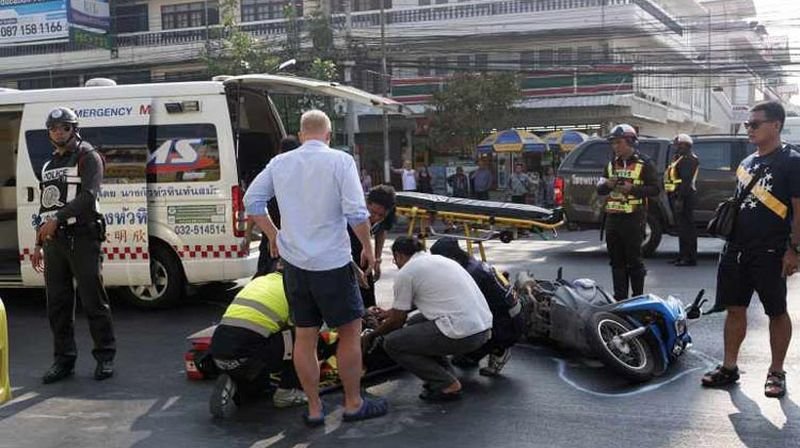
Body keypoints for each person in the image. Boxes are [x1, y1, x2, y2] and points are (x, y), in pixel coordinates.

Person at [244, 110, 388, 426]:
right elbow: (355, 211)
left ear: (301, 132)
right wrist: (367, 248)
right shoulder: (340, 161)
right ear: (328, 135)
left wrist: (273, 235)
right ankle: (352, 403)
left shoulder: (280, 163)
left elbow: (252, 201)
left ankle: (313, 409)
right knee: (349, 332)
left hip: (295, 265)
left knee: (304, 338)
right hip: (333, 264)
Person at [701, 101, 800, 398]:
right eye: (747, 124)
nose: (749, 129)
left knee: (776, 311)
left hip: (771, 251)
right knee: (734, 308)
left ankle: (776, 372)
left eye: (755, 124)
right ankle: (729, 367)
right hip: (736, 249)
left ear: (776, 125)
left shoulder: (792, 162)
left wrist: (794, 250)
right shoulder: (747, 163)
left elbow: (799, 209)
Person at [31, 107, 116, 384]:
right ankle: (63, 360)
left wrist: (57, 218)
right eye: (54, 128)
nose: (59, 132)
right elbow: (46, 204)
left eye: (64, 127)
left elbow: (89, 196)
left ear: (74, 129)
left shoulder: (87, 156)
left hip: (82, 237)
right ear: (49, 133)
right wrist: (38, 241)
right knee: (57, 304)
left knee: (94, 301)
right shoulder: (48, 165)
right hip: (54, 243)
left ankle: (105, 357)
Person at [361, 236, 492, 401]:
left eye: (396, 260)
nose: (397, 264)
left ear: (399, 256)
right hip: (483, 329)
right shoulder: (440, 261)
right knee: (415, 323)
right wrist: (389, 312)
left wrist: (371, 335)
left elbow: (397, 321)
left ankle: (446, 384)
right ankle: (446, 376)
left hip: (463, 334)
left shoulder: (407, 272)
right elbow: (427, 297)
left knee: (393, 343)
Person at [209, 267, 307, 418]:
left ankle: (234, 381)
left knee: (256, 392)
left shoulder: (260, 281)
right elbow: (304, 328)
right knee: (301, 337)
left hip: (218, 350)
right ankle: (287, 391)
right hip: (248, 353)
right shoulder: (294, 289)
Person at [430, 237, 523, 377]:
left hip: (506, 325)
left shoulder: (471, 274)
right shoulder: (473, 264)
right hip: (511, 317)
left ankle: (499, 350)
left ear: (451, 257)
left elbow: (457, 308)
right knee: (462, 360)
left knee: (455, 326)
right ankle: (478, 351)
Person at [596, 124, 660, 300]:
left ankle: (637, 299)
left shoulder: (644, 163)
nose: (615, 146)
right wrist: (607, 185)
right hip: (613, 219)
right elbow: (599, 189)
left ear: (630, 142)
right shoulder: (610, 164)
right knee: (616, 262)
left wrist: (633, 189)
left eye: (618, 142)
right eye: (613, 143)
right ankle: (620, 299)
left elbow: (655, 189)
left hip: (634, 219)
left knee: (634, 262)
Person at [253, 136, 300, 277]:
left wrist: (271, 234)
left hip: (272, 237)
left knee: (264, 275)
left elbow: (253, 202)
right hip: (292, 240)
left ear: (279, 150)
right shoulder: (298, 175)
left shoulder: (273, 172)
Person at [349, 185, 397, 308]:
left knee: (368, 287)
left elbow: (382, 230)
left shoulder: (388, 213)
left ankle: (369, 316)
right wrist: (355, 269)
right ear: (366, 204)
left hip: (365, 250)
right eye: (372, 213)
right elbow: (342, 249)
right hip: (349, 249)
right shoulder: (354, 213)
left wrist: (377, 260)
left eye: (381, 215)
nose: (375, 218)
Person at [665, 134, 700, 266]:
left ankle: (689, 258)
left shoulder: (690, 159)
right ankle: (682, 255)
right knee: (681, 228)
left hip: (685, 196)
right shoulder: (680, 158)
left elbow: (685, 181)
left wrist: (680, 199)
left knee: (687, 229)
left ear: (686, 145)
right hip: (678, 195)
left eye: (679, 145)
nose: (677, 148)